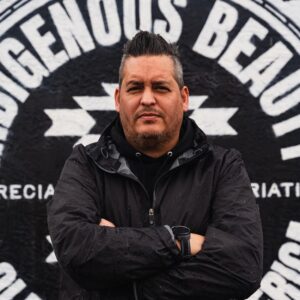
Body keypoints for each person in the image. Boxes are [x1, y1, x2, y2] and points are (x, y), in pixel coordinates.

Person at [47, 31, 263, 300]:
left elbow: (242, 269)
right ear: (117, 98)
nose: (147, 99)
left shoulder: (221, 167)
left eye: (160, 87)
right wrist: (178, 241)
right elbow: (75, 249)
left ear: (184, 98)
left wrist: (123, 284)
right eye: (135, 88)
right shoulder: (85, 165)